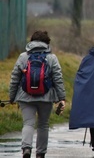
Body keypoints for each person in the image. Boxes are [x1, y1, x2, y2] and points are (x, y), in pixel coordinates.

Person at [9, 30, 66, 158]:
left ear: (31, 42)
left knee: (28, 123)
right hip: (46, 97)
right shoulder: (52, 58)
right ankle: (40, 153)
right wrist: (61, 98)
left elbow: (15, 78)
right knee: (43, 125)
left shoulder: (23, 57)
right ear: (47, 43)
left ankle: (26, 149)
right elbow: (58, 78)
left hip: (25, 96)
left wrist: (12, 97)